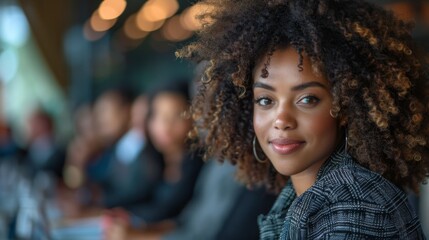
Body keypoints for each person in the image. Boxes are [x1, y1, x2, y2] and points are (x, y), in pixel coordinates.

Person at [177, 0, 429, 239]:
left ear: (344, 107)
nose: (281, 120)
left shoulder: (358, 207)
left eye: (307, 99)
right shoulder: (300, 196)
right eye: (265, 100)